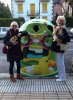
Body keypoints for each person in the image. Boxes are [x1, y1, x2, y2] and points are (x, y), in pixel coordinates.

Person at [52, 16, 70, 81]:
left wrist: (59, 38)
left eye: (61, 21)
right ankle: (60, 74)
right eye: (58, 20)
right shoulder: (57, 28)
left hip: (60, 47)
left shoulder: (63, 29)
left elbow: (68, 39)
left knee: (60, 62)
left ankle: (62, 77)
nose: (59, 21)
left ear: (63, 22)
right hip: (57, 48)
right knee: (58, 62)